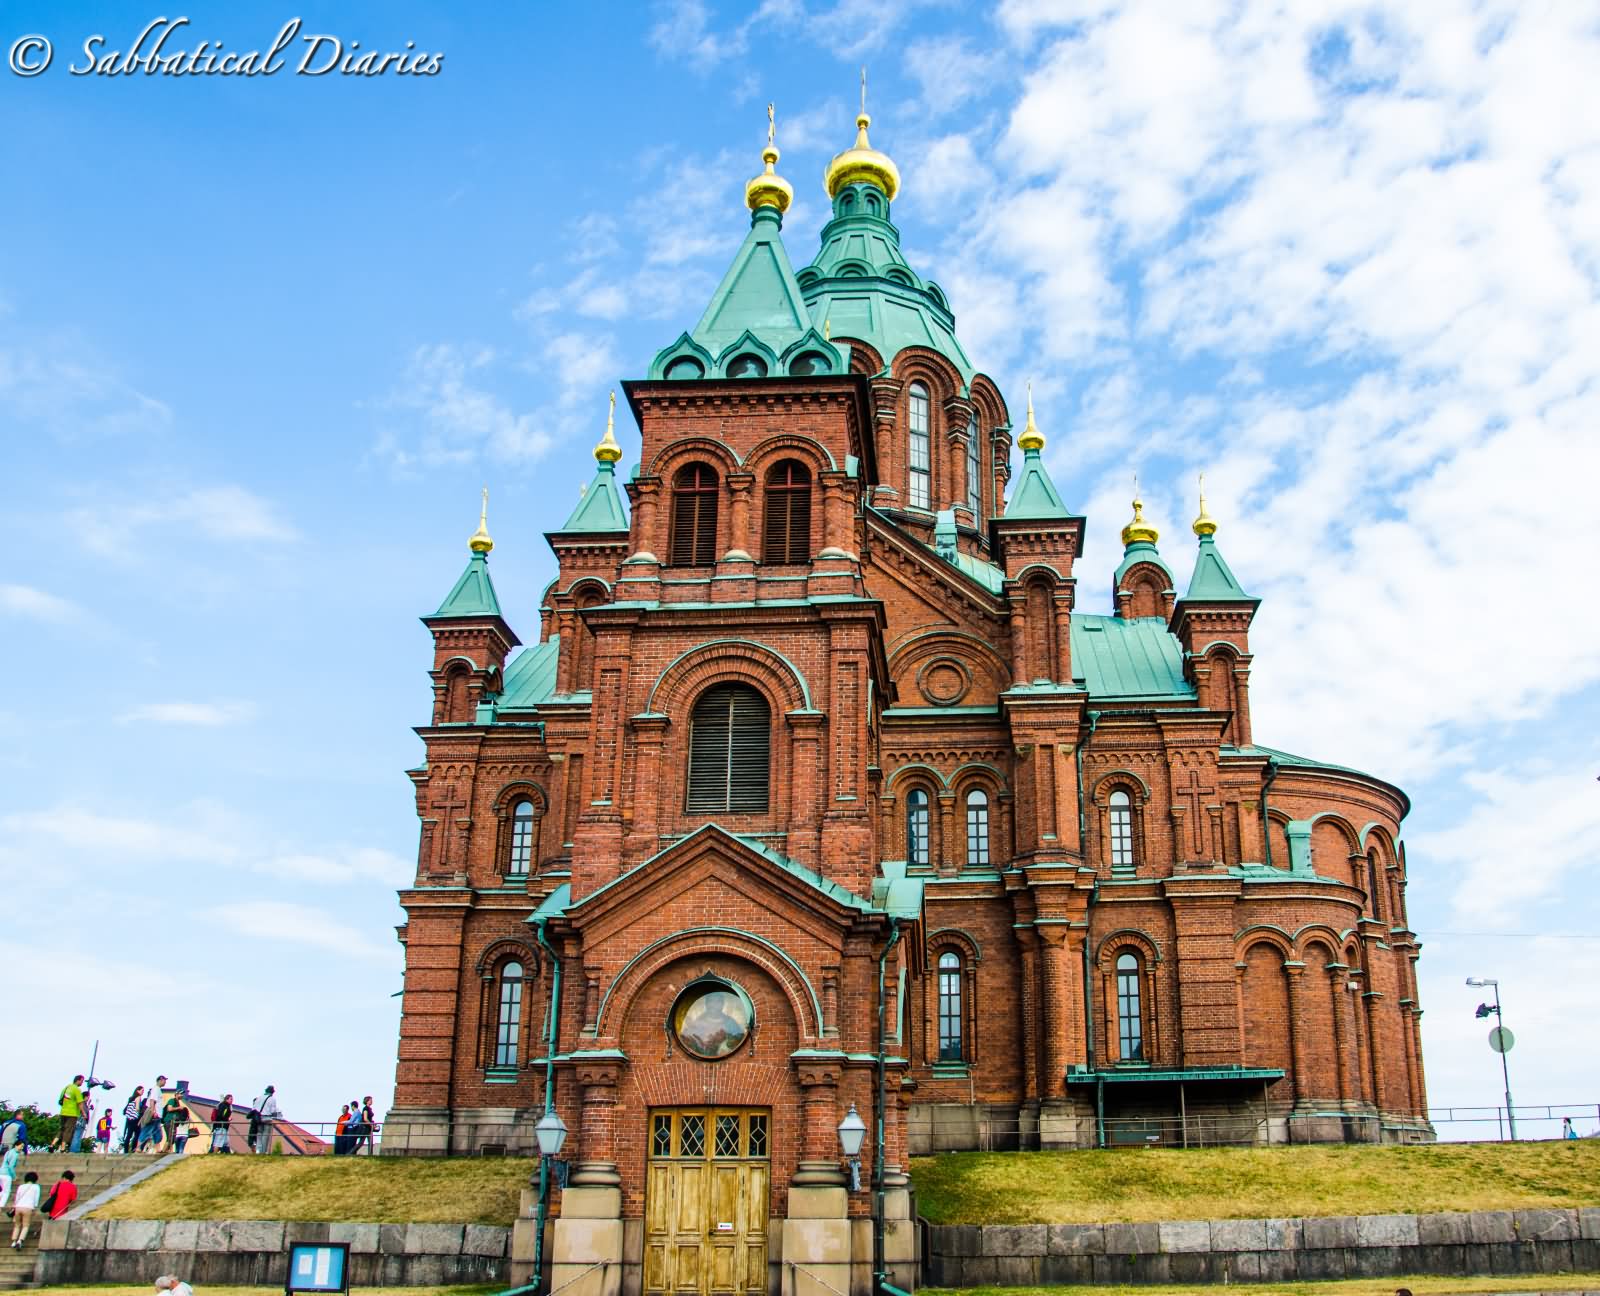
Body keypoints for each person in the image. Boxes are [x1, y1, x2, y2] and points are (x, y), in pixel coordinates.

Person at [53, 1075, 86, 1152]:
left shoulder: (67, 1087)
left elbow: (61, 1099)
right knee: (68, 1130)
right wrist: (83, 1113)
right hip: (72, 1113)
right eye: (82, 1081)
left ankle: (52, 1144)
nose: (82, 1083)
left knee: (61, 1129)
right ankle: (63, 1148)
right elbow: (80, 1103)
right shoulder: (77, 1090)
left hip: (63, 1112)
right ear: (78, 1080)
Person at [9, 1172, 40, 1248]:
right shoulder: (36, 1187)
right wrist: (35, 1207)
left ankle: (13, 1241)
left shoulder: (21, 1186)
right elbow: (36, 1199)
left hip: (18, 1207)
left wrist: (15, 1206)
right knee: (25, 1225)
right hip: (28, 1207)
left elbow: (17, 1197)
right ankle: (20, 1240)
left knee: (17, 1225)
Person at [251, 1086, 280, 1154]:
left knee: (259, 1133)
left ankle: (258, 1150)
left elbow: (254, 1108)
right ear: (272, 1092)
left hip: (258, 1118)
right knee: (265, 1135)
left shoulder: (259, 1097)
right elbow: (273, 1110)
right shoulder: (272, 1099)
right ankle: (263, 1151)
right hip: (267, 1118)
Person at [121, 1087, 146, 1154]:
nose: (143, 1092)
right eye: (142, 1090)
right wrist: (142, 1111)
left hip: (129, 1118)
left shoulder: (131, 1098)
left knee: (129, 1135)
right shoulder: (138, 1098)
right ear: (138, 1091)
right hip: (135, 1118)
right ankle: (133, 1149)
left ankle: (125, 1150)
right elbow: (137, 1108)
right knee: (137, 1134)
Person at [0, 1139, 21, 1210]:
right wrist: (14, 1177)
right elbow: (11, 1167)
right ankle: (1, 1206)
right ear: (16, 1145)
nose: (21, 1148)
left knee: (2, 1190)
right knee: (6, 1192)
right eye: (21, 1146)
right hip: (7, 1174)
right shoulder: (15, 1154)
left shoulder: (8, 1152)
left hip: (1, 1172)